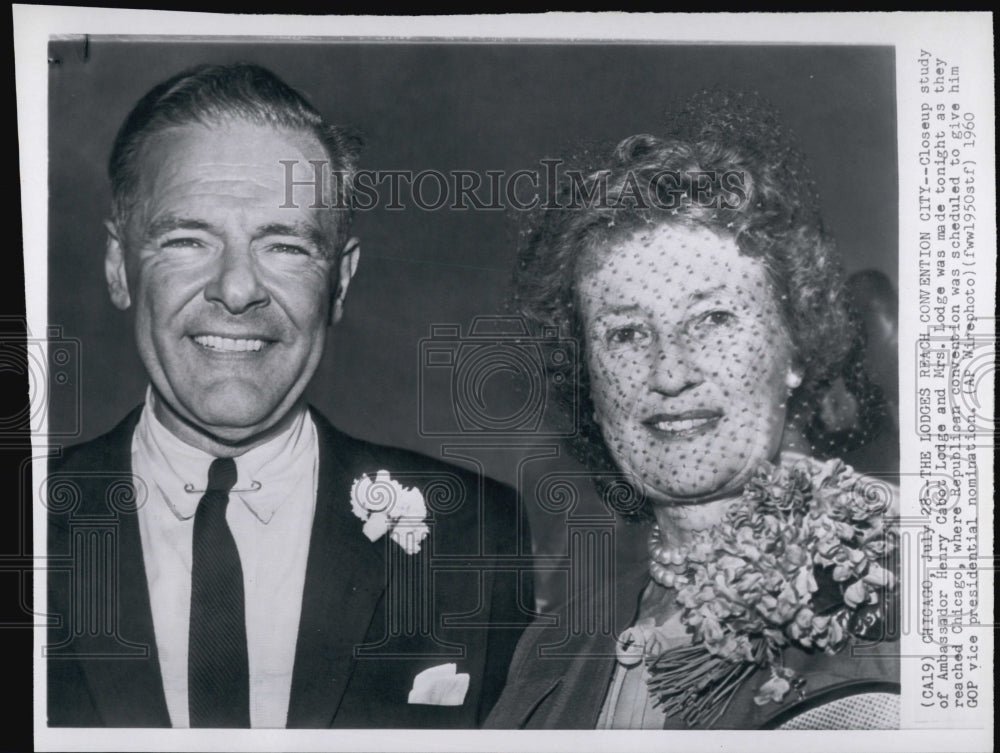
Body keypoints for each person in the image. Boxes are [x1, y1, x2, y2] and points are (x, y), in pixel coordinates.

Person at [46, 63, 530, 729]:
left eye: (285, 245)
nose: (237, 289)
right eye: (188, 239)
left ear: (339, 280)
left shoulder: (478, 533)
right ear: (116, 265)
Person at [487, 93, 899, 729]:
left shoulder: (903, 596)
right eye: (625, 334)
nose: (670, 371)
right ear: (589, 381)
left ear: (795, 347)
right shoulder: (553, 646)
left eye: (712, 319)